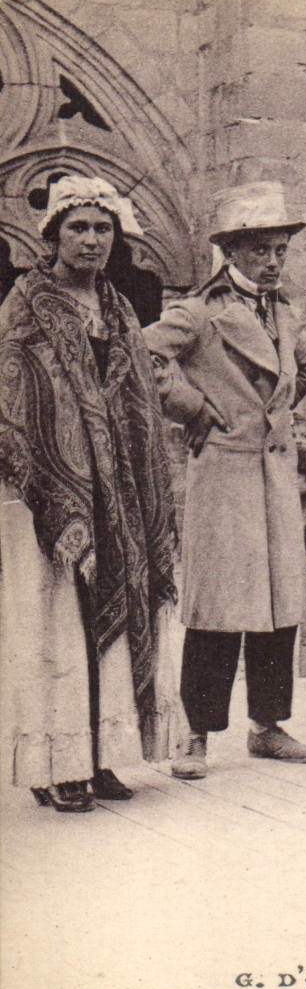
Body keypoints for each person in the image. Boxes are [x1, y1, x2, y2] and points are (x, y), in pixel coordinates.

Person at [0, 175, 181, 811]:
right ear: (51, 237)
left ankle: (103, 756)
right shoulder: (24, 305)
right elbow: (13, 396)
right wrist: (53, 473)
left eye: (103, 228)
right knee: (54, 626)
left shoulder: (121, 309)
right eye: (77, 227)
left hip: (119, 490)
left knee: (114, 615)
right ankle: (57, 764)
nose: (91, 240)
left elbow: (138, 406)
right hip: (48, 494)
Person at [144, 181, 306, 779]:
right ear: (233, 252)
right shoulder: (199, 311)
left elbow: (302, 371)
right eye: (259, 250)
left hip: (275, 476)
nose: (272, 262)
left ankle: (268, 726)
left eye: (280, 251)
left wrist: (292, 417)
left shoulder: (290, 314)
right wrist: (193, 408)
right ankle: (195, 734)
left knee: (278, 604)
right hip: (223, 474)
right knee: (217, 606)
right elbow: (141, 359)